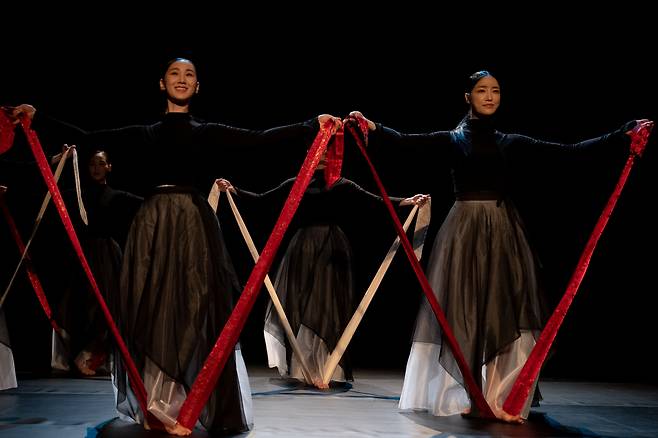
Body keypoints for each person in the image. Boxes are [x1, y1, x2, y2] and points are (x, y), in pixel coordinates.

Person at [7, 57, 339, 436]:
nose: (182, 80)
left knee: (196, 307)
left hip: (194, 224)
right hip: (154, 224)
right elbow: (89, 135)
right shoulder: (147, 133)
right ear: (161, 84)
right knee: (151, 307)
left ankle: (193, 399)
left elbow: (259, 139)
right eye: (174, 74)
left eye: (190, 75)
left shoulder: (206, 131)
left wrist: (311, 125)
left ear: (197, 87)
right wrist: (39, 118)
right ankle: (158, 399)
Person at [350, 70, 653, 423]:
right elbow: (407, 141)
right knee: (463, 308)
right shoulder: (453, 140)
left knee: (502, 309)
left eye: (495, 91)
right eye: (482, 90)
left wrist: (621, 134)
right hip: (463, 231)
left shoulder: (510, 141)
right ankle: (467, 393)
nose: (490, 96)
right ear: (468, 97)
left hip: (503, 231)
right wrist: (373, 128)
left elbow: (569, 152)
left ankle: (498, 396)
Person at [216, 152, 429, 390]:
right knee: (302, 304)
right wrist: (232, 190)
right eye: (320, 153)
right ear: (311, 155)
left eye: (330, 154)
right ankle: (303, 366)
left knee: (327, 305)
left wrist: (409, 201)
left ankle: (326, 367)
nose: (324, 158)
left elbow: (376, 201)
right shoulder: (299, 182)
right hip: (303, 249)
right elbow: (264, 199)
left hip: (332, 248)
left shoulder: (341, 184)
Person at [51, 150, 142, 377]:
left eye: (100, 163)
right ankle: (77, 355)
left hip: (107, 256)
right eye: (92, 163)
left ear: (109, 167)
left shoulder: (116, 195)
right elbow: (54, 193)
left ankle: (95, 354)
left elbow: (146, 204)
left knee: (107, 306)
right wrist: (57, 164)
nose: (95, 168)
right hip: (82, 254)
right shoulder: (78, 194)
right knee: (77, 304)